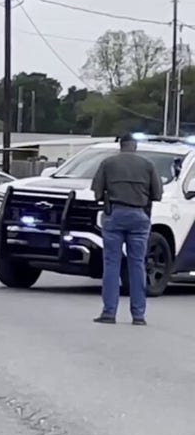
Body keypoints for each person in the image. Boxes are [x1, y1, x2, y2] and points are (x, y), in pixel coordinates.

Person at [91, 133, 162, 326]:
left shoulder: (108, 163)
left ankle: (109, 313)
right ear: (135, 146)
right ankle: (138, 316)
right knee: (137, 265)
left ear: (120, 146)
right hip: (139, 216)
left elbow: (96, 192)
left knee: (111, 264)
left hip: (114, 215)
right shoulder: (147, 165)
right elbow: (157, 194)